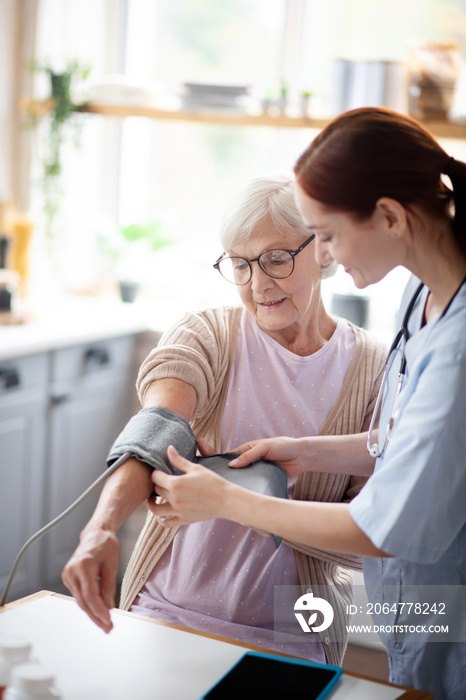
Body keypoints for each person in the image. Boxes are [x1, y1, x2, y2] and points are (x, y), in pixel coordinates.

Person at [150, 109, 466, 700]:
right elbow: (407, 441)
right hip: (411, 610)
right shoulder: (422, 295)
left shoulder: (458, 354)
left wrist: (228, 500)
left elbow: (381, 527)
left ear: (391, 217)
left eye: (325, 235)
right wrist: (306, 450)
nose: (324, 252)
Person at [62, 173, 387, 666]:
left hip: (294, 630)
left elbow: (371, 532)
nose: (258, 285)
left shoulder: (374, 366)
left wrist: (236, 503)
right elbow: (159, 426)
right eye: (240, 265)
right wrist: (100, 528)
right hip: (166, 609)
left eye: (277, 259)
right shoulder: (208, 334)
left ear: (323, 250)